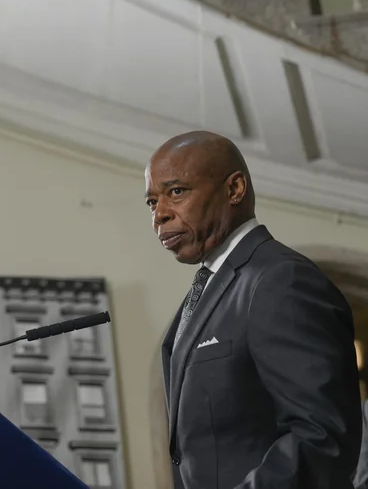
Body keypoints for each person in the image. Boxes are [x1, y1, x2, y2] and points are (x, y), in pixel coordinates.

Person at [147, 130, 361, 488]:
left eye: (177, 192)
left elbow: (321, 435)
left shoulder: (281, 280)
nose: (160, 215)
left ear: (235, 189)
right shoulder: (207, 290)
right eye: (152, 202)